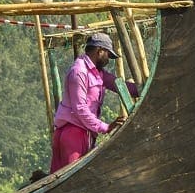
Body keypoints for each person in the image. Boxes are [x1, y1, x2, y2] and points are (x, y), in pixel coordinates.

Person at [50, 31, 138, 173]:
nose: (108, 59)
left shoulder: (98, 73)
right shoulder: (79, 71)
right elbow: (80, 109)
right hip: (72, 133)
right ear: (99, 51)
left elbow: (123, 87)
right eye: (107, 55)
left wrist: (143, 88)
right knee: (71, 179)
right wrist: (105, 127)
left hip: (84, 133)